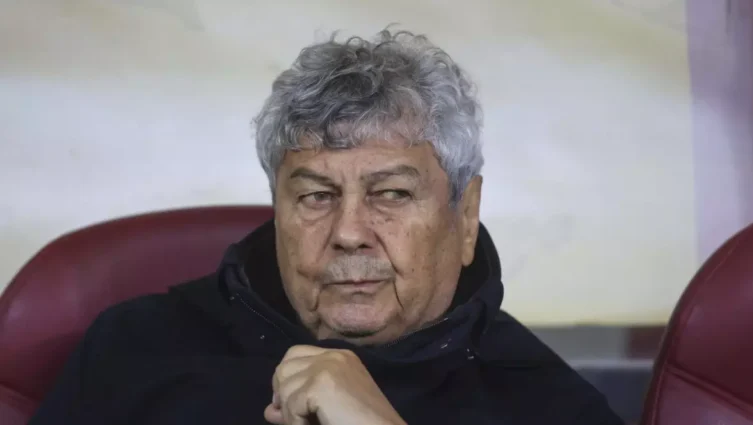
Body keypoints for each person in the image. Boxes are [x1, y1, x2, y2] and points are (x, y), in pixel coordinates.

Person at [29, 29, 624, 425]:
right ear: (277, 208)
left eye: (391, 194)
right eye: (316, 196)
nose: (349, 232)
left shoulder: (548, 405)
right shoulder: (133, 350)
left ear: (464, 217)